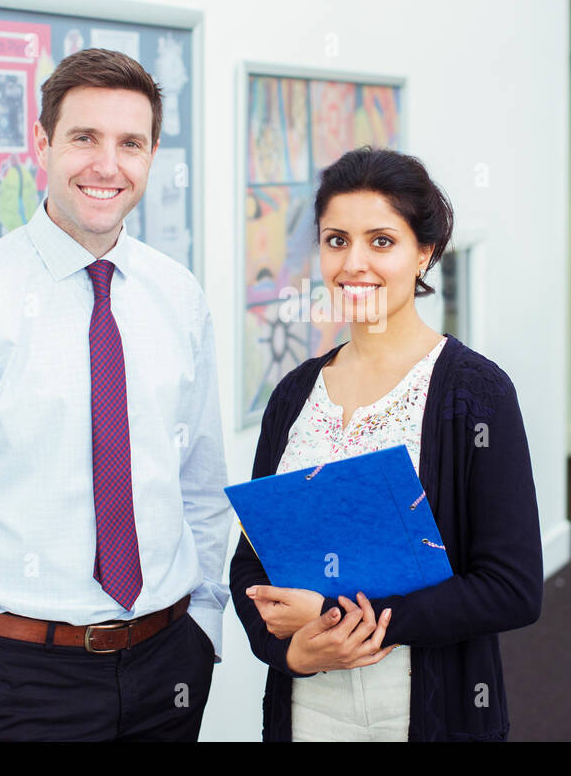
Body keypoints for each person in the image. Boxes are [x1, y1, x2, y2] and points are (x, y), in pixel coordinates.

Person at [0, 49, 231, 741]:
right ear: (41, 143)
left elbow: (200, 482)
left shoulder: (179, 297)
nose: (108, 165)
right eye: (84, 138)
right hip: (25, 685)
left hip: (168, 666)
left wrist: (205, 626)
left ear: (153, 153)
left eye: (130, 143)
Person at [230, 147, 544, 741]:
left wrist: (333, 616)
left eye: (381, 241)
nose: (354, 263)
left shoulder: (475, 393)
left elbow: (512, 589)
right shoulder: (295, 394)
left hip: (428, 707)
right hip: (306, 706)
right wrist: (291, 654)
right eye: (336, 240)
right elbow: (250, 563)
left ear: (423, 252)